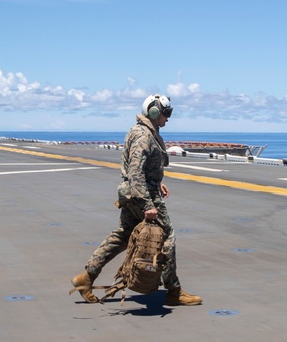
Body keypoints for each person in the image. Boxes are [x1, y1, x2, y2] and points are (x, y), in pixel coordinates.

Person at [71, 94, 202, 306]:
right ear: (154, 112)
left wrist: (157, 182)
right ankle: (173, 290)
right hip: (142, 196)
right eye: (165, 113)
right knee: (167, 237)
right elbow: (135, 172)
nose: (167, 118)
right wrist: (148, 204)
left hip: (133, 194)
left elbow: (142, 169)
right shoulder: (144, 136)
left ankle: (86, 278)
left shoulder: (140, 130)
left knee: (123, 236)